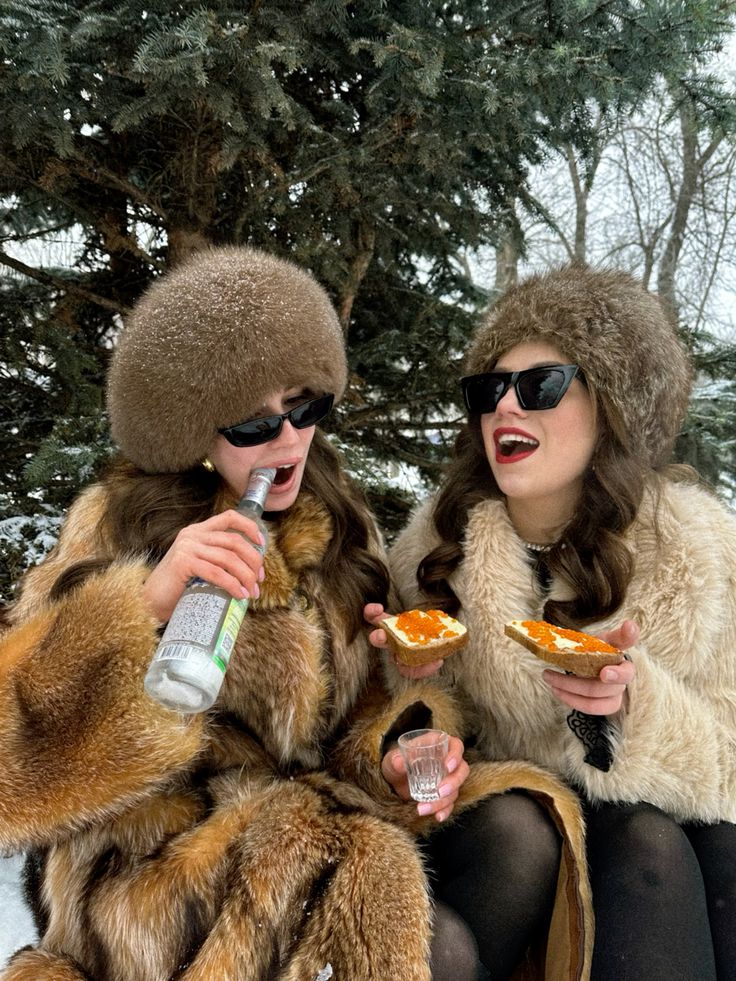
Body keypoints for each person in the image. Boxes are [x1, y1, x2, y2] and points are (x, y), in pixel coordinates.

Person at [0, 247, 592, 981]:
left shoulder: (339, 521)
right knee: (434, 944)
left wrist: (395, 748)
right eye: (253, 425)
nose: (288, 441)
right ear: (194, 432)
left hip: (310, 826)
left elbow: (349, 729)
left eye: (305, 407)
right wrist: (143, 601)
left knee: (520, 832)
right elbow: (14, 745)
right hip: (156, 866)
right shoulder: (122, 520)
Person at [372, 264, 736, 980]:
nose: (506, 408)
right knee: (591, 837)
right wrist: (419, 711)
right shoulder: (432, 551)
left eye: (539, 386)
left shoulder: (699, 551)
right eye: (488, 390)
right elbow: (413, 733)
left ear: (611, 406)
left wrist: (634, 707)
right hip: (511, 829)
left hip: (657, 825)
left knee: (680, 845)